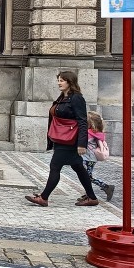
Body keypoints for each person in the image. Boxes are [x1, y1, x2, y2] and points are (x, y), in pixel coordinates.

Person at [25, 70, 101, 208]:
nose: (59, 83)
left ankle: (44, 197)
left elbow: (82, 121)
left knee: (55, 166)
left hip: (70, 140)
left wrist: (81, 144)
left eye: (62, 80)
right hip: (62, 138)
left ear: (69, 82)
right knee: (78, 166)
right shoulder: (63, 97)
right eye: (58, 80)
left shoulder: (76, 98)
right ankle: (92, 197)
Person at [82, 111, 115, 201]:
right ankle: (88, 193)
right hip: (90, 158)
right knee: (86, 176)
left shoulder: (89, 133)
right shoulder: (96, 132)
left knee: (87, 177)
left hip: (88, 158)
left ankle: (106, 187)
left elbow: (83, 142)